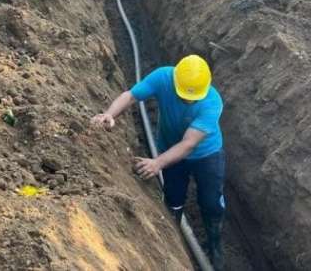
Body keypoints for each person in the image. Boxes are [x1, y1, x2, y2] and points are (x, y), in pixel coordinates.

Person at [91, 55, 225, 269]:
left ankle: (215, 244)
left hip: (206, 154)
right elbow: (131, 96)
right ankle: (175, 241)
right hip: (169, 148)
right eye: (185, 96)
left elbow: (189, 144)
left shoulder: (212, 102)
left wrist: (157, 163)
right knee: (173, 198)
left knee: (211, 202)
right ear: (176, 81)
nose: (189, 101)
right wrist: (108, 114)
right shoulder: (164, 76)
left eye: (194, 98)